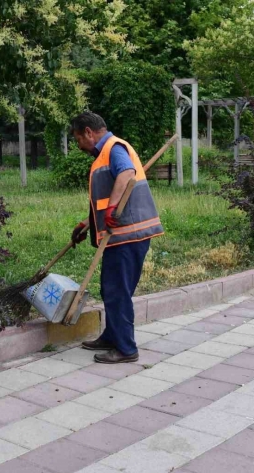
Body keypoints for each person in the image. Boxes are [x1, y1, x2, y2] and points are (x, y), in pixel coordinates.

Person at [69, 112, 164, 364]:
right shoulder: (105, 153)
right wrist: (88, 224)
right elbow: (108, 193)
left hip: (128, 234)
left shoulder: (113, 148)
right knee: (111, 288)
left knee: (117, 290)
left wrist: (111, 209)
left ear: (88, 132)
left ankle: (125, 348)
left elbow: (126, 174)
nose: (79, 146)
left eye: (79, 139)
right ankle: (112, 335)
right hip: (118, 235)